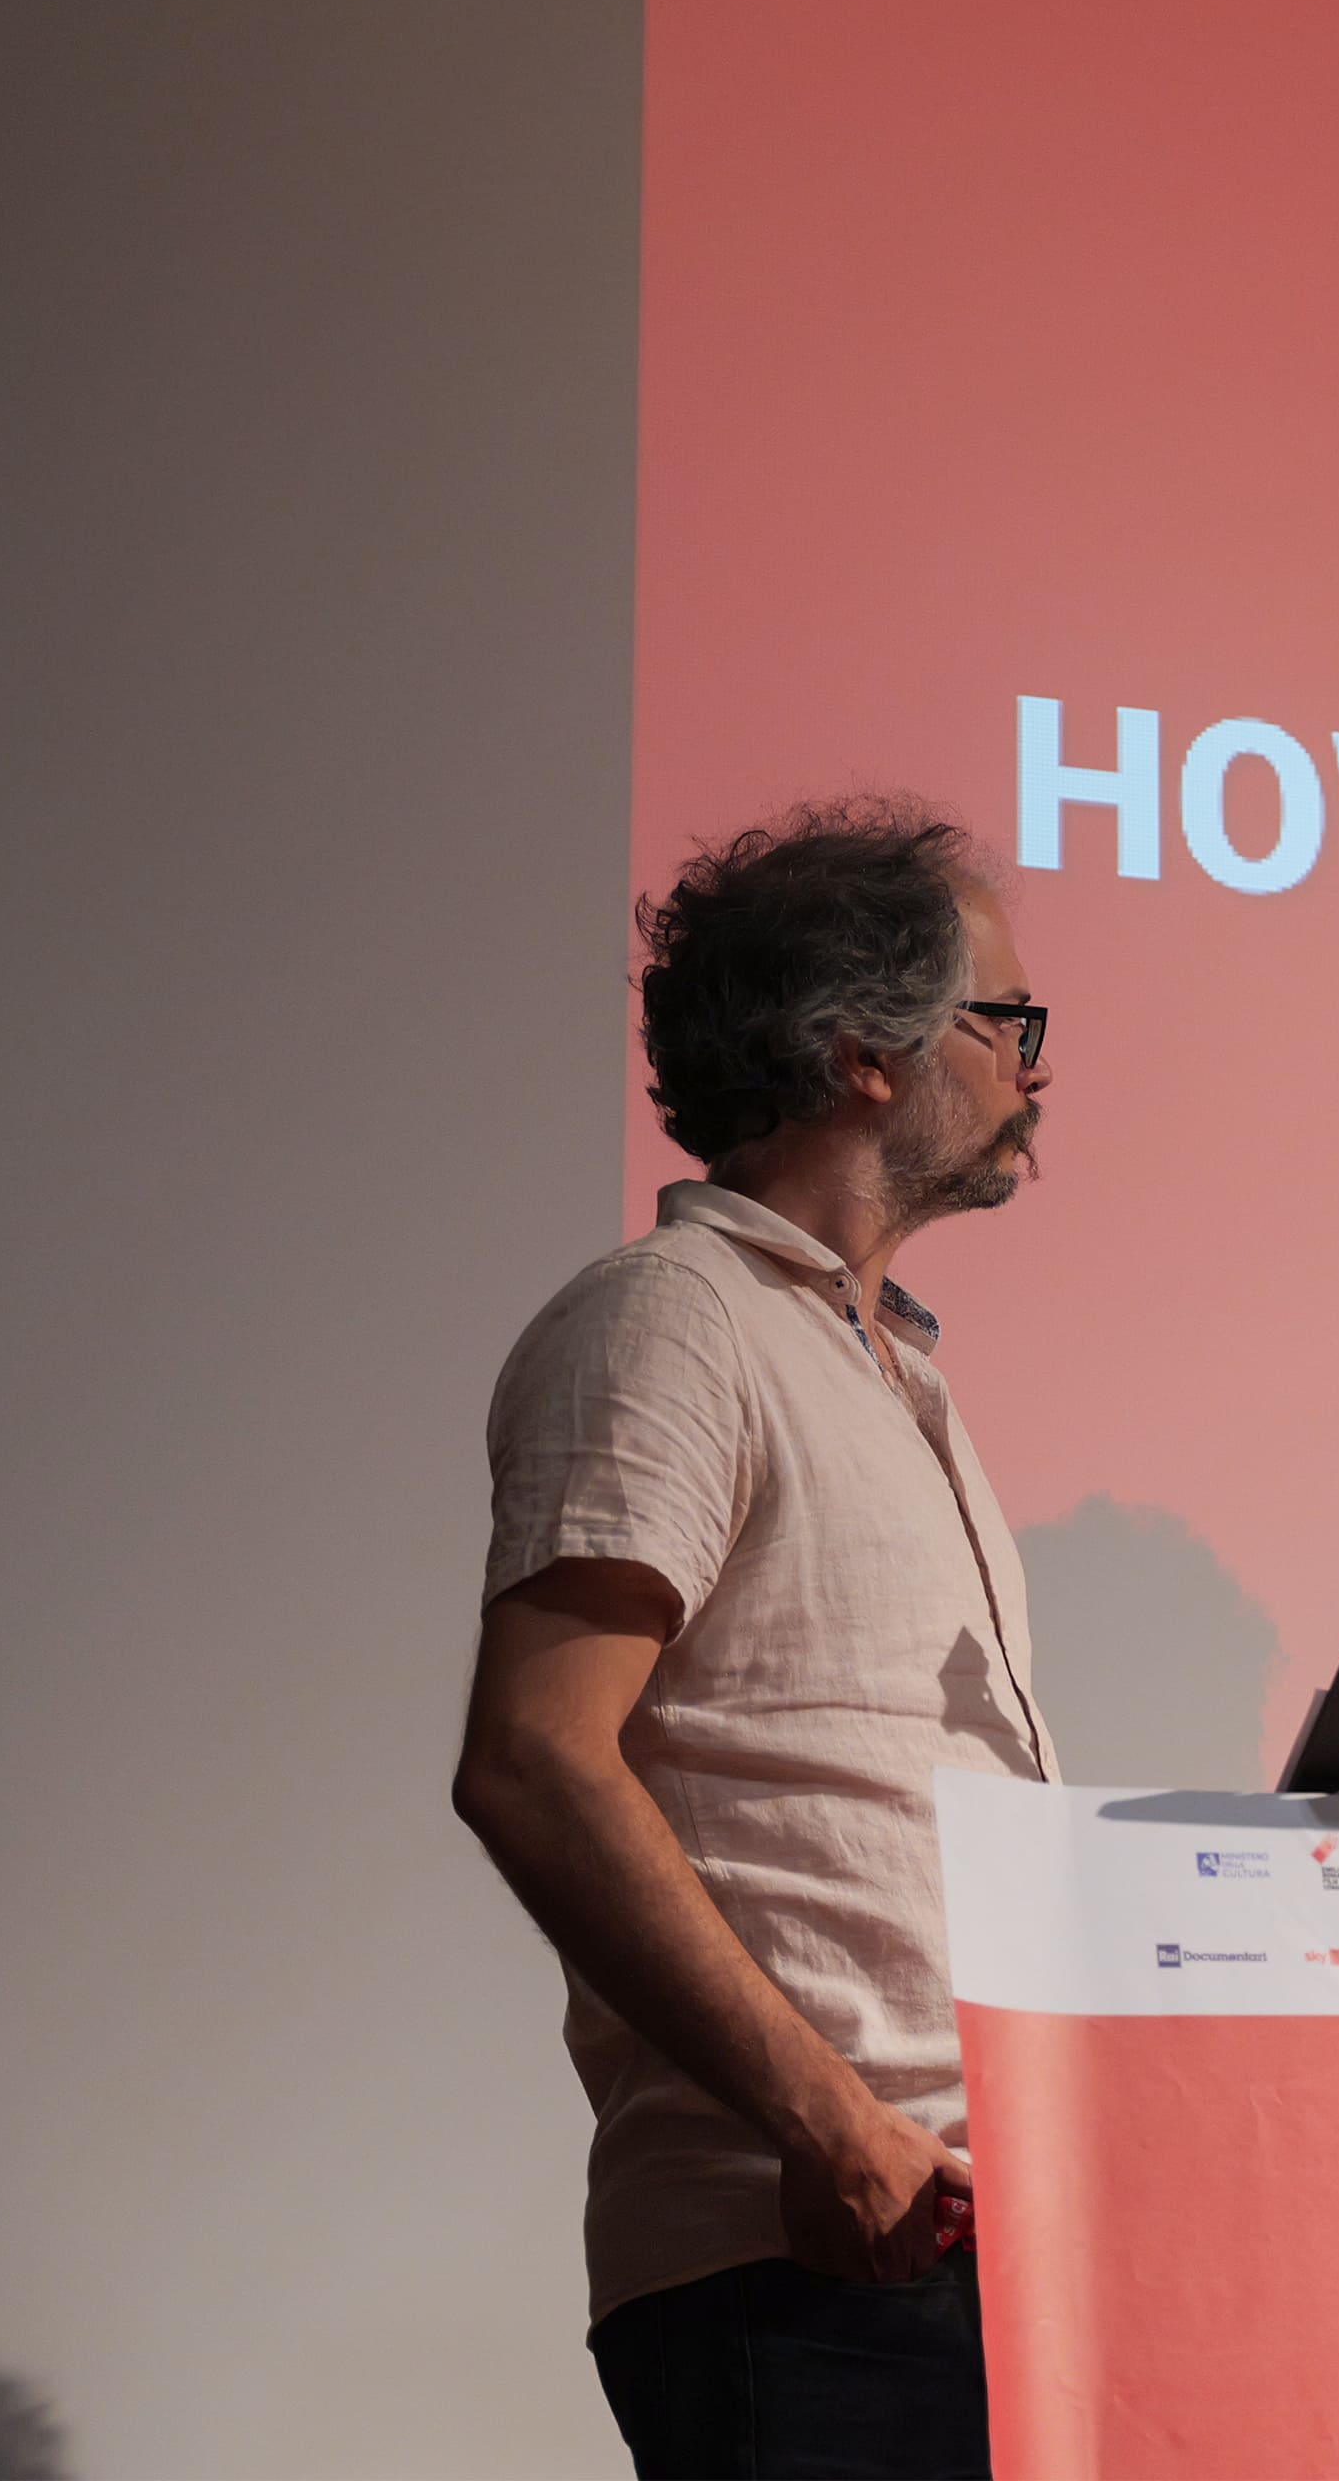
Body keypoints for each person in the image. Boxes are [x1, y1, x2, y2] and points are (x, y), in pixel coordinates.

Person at [451, 800, 1058, 2481]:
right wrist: (829, 2123)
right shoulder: (669, 1321)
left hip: (970, 2234)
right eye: (1005, 1021)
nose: (1036, 1066)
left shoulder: (895, 1369)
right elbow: (533, 1759)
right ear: (864, 1051)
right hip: (804, 2250)